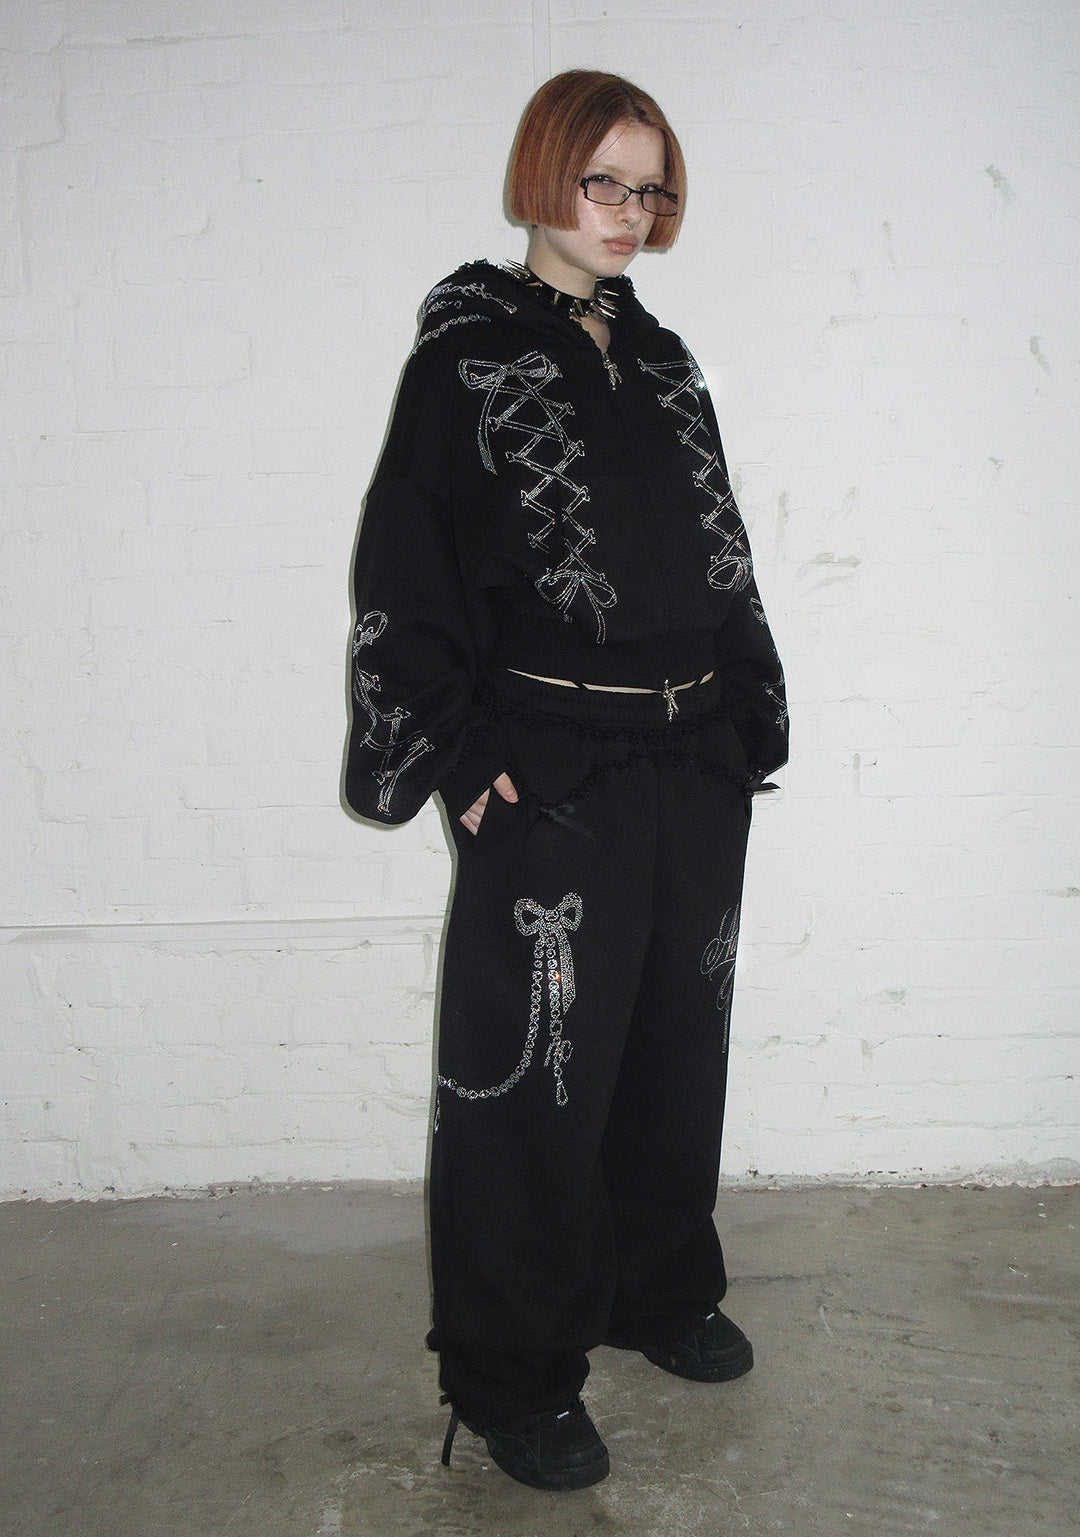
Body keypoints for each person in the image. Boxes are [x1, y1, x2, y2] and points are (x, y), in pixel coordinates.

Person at [344, 69, 788, 1491]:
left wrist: (749, 709)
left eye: (651, 189)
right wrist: (461, 758)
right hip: (554, 768)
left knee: (673, 1049)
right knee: (536, 1079)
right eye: (605, 181)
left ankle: (657, 1287)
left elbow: (720, 549)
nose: (628, 212)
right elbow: (407, 563)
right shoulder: (467, 363)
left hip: (689, 756)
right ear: (545, 176)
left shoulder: (664, 366)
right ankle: (515, 1372)